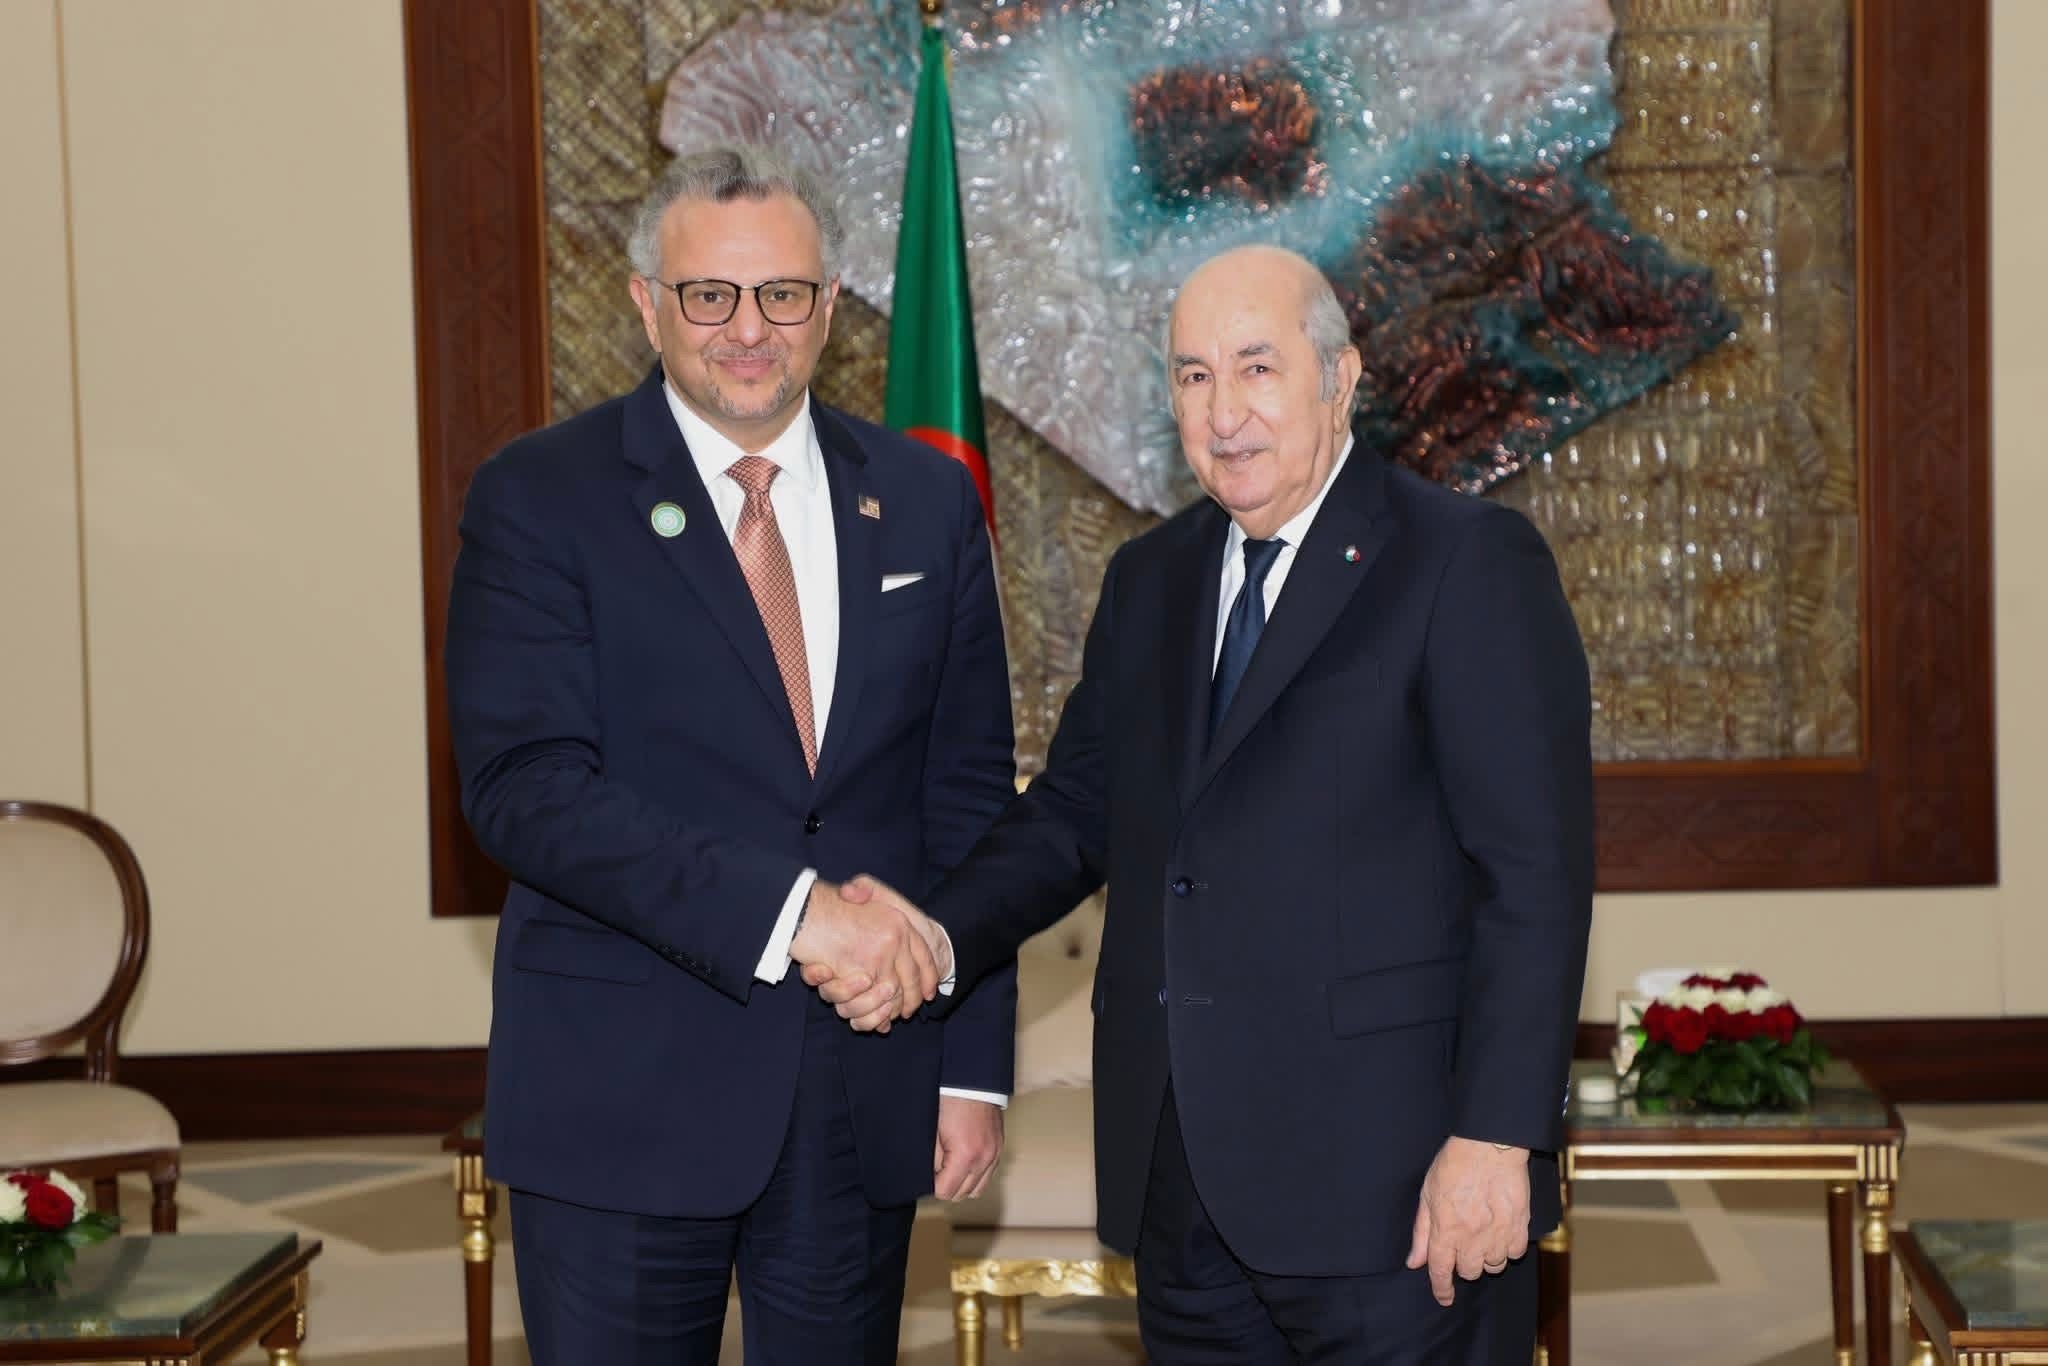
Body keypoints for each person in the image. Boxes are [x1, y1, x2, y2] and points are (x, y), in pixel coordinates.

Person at [817, 244, 1594, 1362]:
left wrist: (1496, 1137)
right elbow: (1072, 813)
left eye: (1256, 368)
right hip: (1184, 1191)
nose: (1224, 413)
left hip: (1398, 1195)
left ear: (1339, 379)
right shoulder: (1151, 579)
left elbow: (1533, 878)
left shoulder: (1461, 561)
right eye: (1192, 376)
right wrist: (933, 934)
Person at [444, 143, 1015, 1365]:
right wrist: (792, 913)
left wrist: (970, 1065)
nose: (748, 330)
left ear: (830, 306)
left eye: (782, 294)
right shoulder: (540, 497)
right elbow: (525, 791)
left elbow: (965, 799)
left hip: (860, 1091)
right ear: (647, 303)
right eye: (710, 295)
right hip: (620, 1097)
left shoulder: (924, 501)